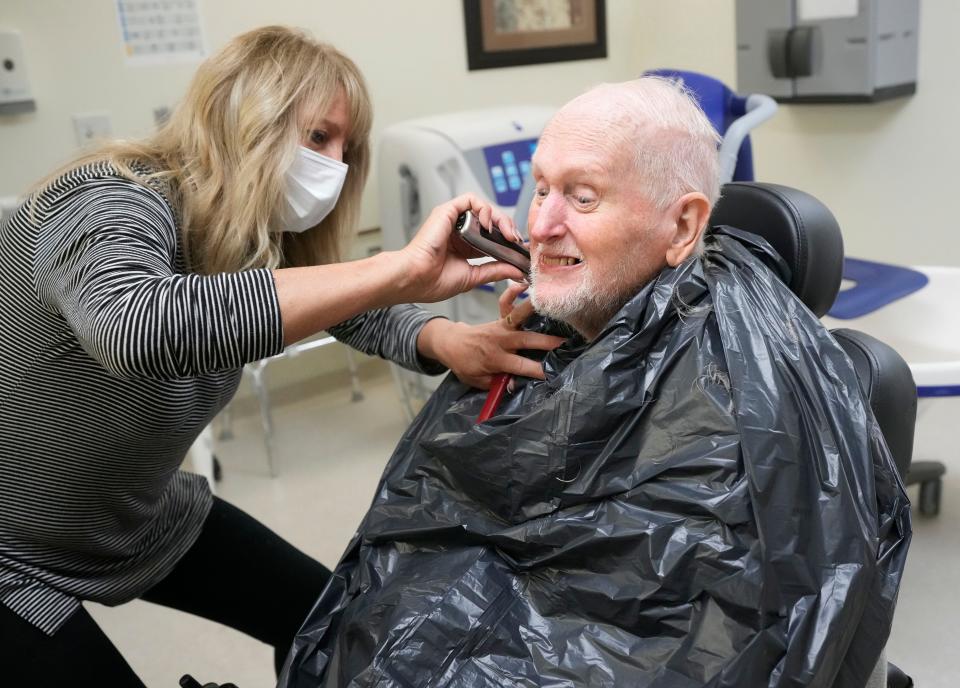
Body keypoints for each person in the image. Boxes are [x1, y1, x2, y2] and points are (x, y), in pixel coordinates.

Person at [280, 77, 910, 688]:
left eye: (583, 197)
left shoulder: (740, 395)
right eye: (540, 189)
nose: (543, 226)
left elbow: (710, 639)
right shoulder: (536, 340)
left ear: (684, 227)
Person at [0, 25, 564, 687]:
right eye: (317, 137)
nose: (334, 164)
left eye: (345, 148)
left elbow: (334, 297)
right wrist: (398, 267)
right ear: (244, 119)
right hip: (12, 549)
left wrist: (440, 337)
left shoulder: (243, 229)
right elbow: (140, 327)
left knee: (327, 622)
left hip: (133, 518)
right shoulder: (105, 200)